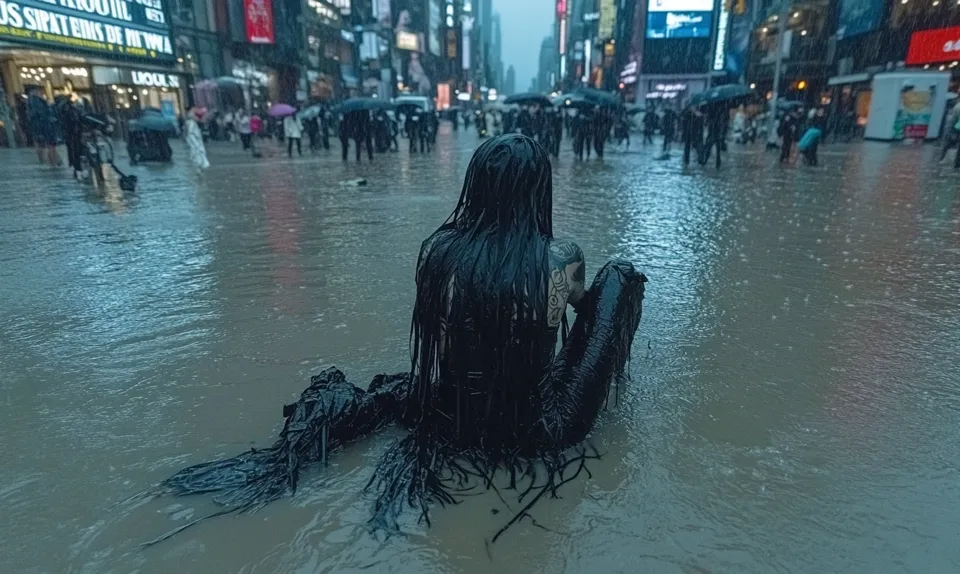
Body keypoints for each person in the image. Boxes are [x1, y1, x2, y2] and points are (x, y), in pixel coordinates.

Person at [160, 133, 647, 540]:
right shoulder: (560, 257)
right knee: (621, 275)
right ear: (536, 191)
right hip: (538, 431)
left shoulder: (439, 252)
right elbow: (584, 313)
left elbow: (448, 328)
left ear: (476, 186)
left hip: (449, 416)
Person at [27, 88, 60, 166]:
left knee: (40, 144)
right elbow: (43, 114)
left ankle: (44, 160)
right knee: (50, 145)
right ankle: (52, 162)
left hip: (36, 126)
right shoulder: (38, 102)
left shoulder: (29, 102)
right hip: (45, 126)